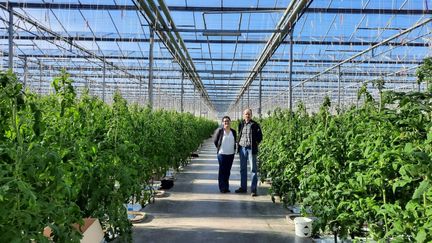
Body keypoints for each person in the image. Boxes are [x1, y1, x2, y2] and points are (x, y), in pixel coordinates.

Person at [235, 108, 263, 197]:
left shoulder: (255, 125)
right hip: (242, 148)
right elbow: (239, 134)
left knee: (253, 169)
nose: (247, 115)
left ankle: (253, 190)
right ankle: (243, 187)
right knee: (242, 169)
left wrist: (255, 144)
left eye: (249, 114)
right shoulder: (241, 124)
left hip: (251, 149)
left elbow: (260, 137)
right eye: (246, 114)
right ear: (243, 115)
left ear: (251, 115)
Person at [213, 116, 237, 193]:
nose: (226, 122)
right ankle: (222, 187)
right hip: (222, 154)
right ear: (223, 123)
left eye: (228, 121)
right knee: (222, 170)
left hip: (231, 154)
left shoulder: (233, 132)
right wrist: (219, 148)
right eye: (225, 121)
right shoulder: (220, 131)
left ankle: (226, 187)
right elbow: (215, 141)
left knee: (228, 171)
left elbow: (235, 141)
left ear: (230, 122)